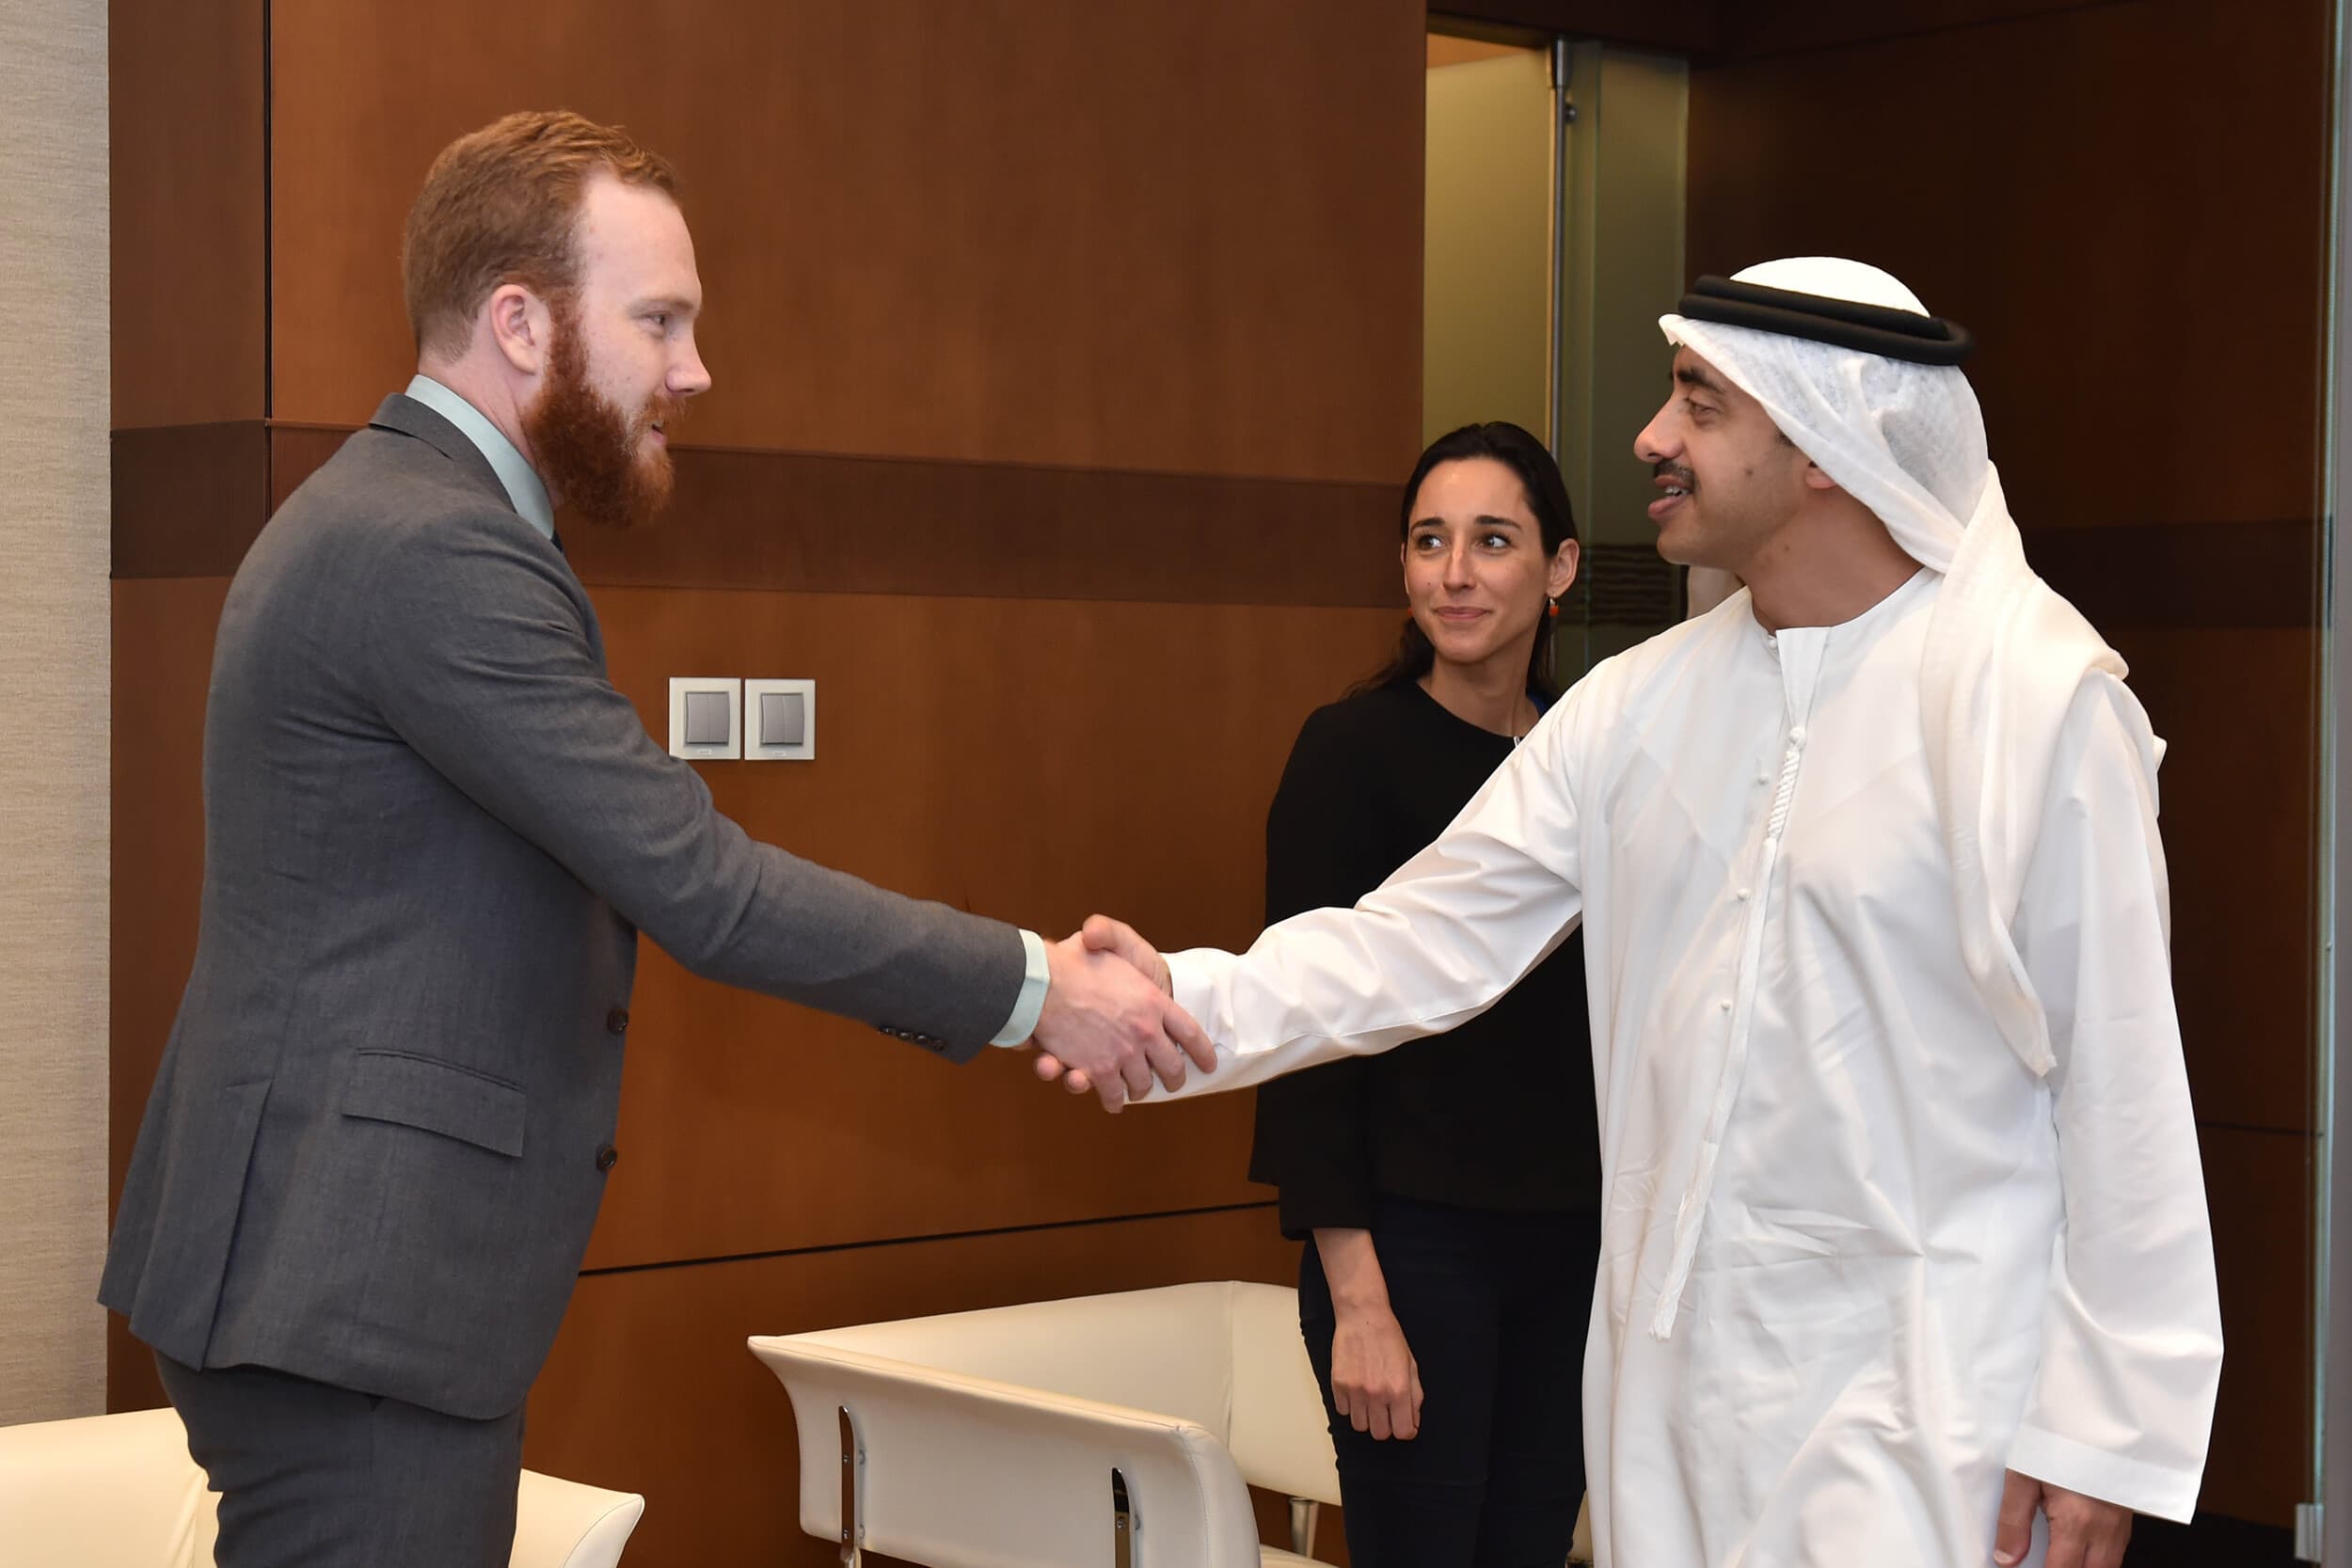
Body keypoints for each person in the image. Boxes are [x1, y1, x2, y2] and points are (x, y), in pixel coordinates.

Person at [98, 110, 1212, 1568]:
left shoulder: (396, 515)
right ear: (519, 321)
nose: (695, 368)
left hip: (329, 1274)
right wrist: (1034, 984)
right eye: (660, 319)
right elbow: (704, 886)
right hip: (355, 1292)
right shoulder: (436, 547)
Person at [1054, 258, 2222, 1568]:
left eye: (1699, 403)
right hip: (1676, 1387)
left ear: (1823, 442)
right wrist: (1164, 1002)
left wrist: (2098, 1427)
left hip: (1934, 1398)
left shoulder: (2035, 705)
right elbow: (1416, 938)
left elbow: (2124, 1086)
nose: (1652, 440)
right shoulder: (1638, 706)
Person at [1251, 420, 1597, 1566]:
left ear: (1558, 569)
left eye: (1492, 540)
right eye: (1428, 540)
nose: (1454, 573)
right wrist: (1359, 1298)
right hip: (1408, 1253)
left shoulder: (1592, 764)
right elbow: (1303, 1033)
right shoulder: (1350, 749)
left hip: (1574, 1250)